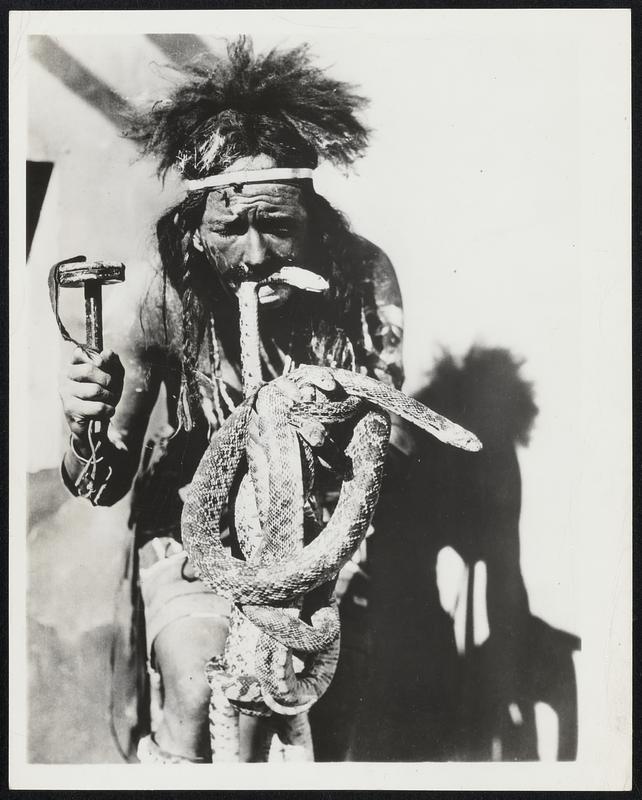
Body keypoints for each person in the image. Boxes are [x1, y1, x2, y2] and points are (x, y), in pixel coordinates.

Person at [58, 36, 414, 763]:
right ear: (197, 224)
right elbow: (104, 480)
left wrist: (314, 528)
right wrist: (85, 427)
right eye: (231, 227)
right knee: (195, 689)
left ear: (312, 215)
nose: (255, 254)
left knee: (322, 708)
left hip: (326, 546)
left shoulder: (360, 281)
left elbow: (389, 447)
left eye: (277, 225)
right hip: (192, 541)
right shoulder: (164, 298)